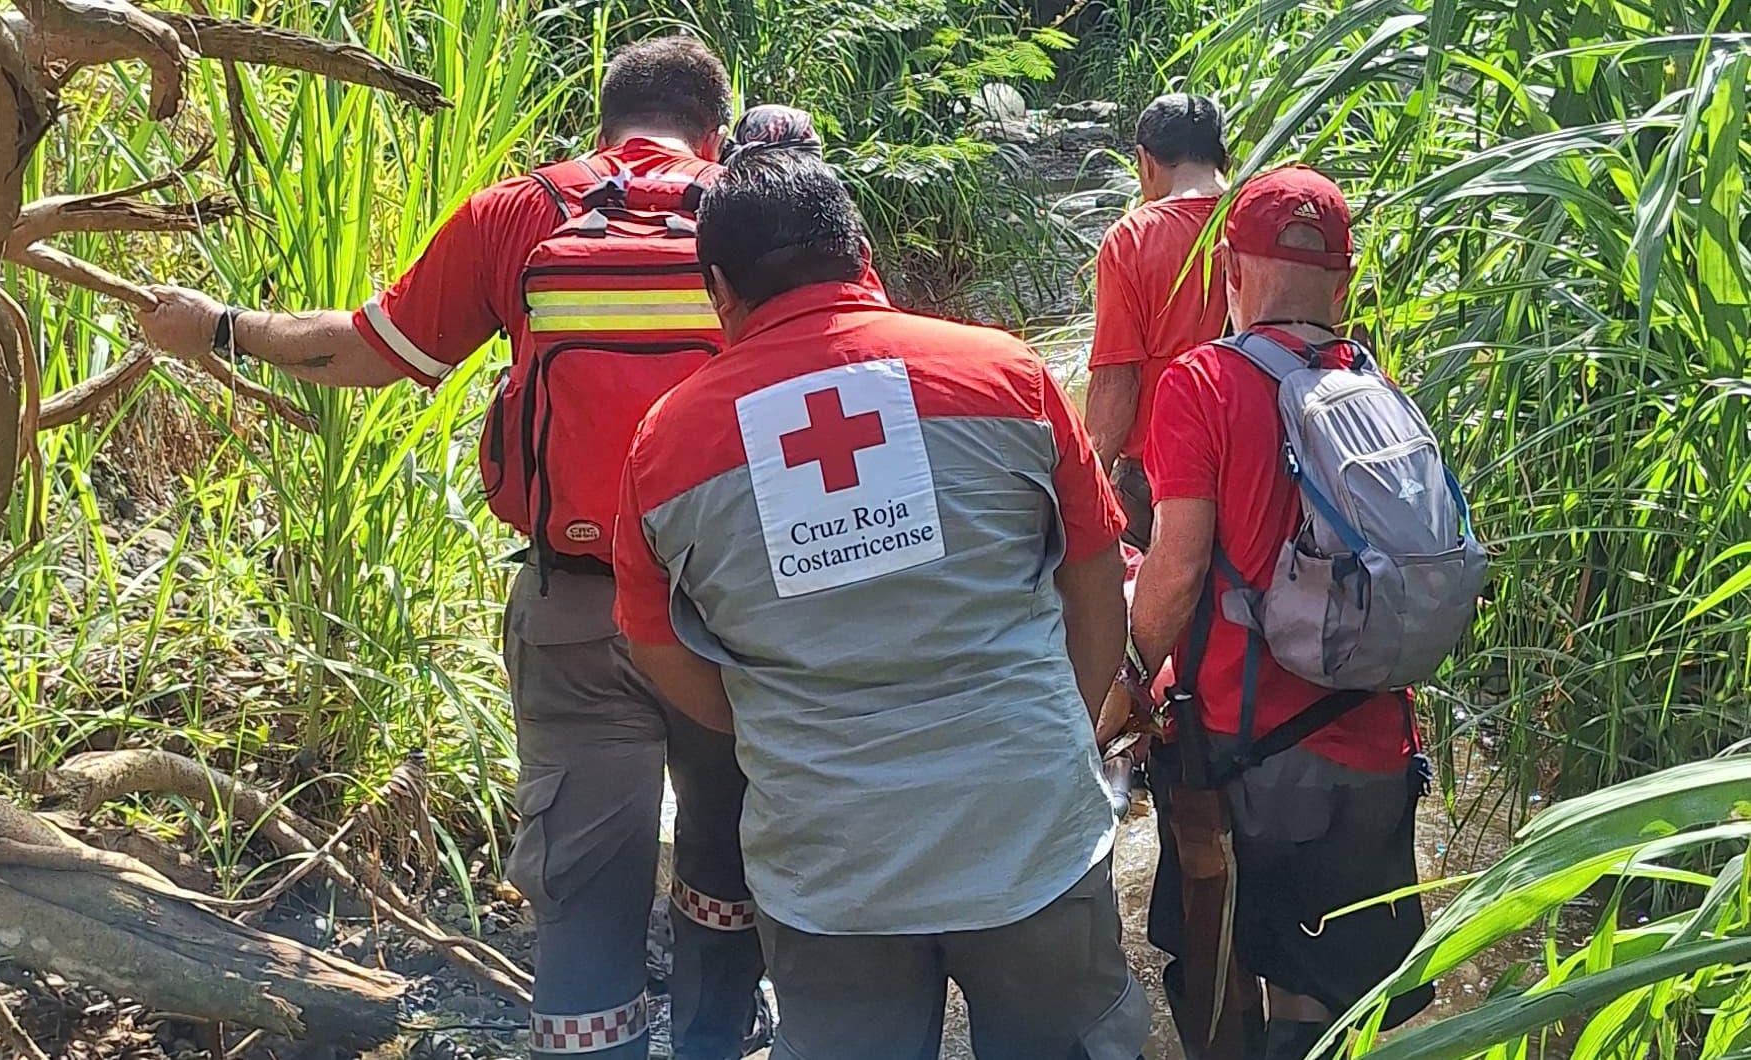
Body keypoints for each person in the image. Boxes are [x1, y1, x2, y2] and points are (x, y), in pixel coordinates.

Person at [137, 37, 770, 1060]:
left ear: (601, 130)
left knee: (580, 883)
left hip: (579, 606)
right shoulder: (762, 210)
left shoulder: (522, 213)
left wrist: (221, 327)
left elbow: (362, 348)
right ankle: (719, 1037)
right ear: (714, 131)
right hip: (734, 610)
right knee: (728, 849)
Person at [611, 148, 1149, 1060]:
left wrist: (770, 728)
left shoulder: (668, 444)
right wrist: (1071, 721)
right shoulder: (1006, 375)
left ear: (718, 290)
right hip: (1027, 830)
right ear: (861, 251)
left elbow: (659, 651)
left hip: (828, 865)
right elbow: (1096, 572)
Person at [1129, 166, 1433, 1060]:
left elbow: (1178, 570)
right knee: (1327, 1000)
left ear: (1232, 269)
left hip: (1249, 752)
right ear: (1344, 283)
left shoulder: (1202, 383)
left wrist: (1128, 680)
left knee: (1215, 977)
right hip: (1378, 744)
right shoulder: (1374, 382)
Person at [1086, 93, 1232, 550]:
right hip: (1254, 463)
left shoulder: (1131, 238)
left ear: (1145, 162)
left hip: (1158, 477)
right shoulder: (1253, 220)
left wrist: (1089, 479)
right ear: (1223, 155)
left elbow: (1117, 383)